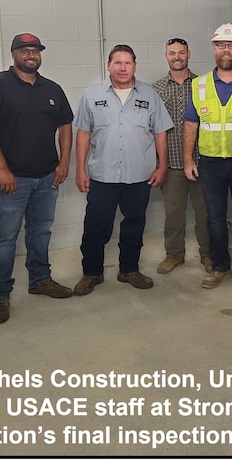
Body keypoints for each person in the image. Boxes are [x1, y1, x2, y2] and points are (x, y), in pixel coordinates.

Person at [0, 33, 75, 324]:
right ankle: (0, 295)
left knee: (40, 232)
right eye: (25, 50)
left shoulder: (51, 88)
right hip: (11, 180)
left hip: (47, 177)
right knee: (5, 238)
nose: (31, 55)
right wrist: (2, 170)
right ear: (13, 53)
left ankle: (40, 280)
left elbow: (65, 124)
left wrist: (64, 162)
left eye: (36, 51)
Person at [72, 45, 172, 295]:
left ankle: (129, 269)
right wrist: (80, 170)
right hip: (102, 176)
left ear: (135, 66)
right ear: (109, 65)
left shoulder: (150, 95)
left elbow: (160, 133)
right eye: (118, 63)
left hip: (139, 176)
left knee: (134, 225)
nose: (123, 67)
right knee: (95, 226)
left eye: (128, 63)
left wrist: (162, 166)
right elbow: (83, 134)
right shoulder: (92, 94)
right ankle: (91, 273)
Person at [184, 24, 232, 289]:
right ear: (214, 49)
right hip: (211, 162)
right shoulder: (199, 84)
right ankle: (220, 267)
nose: (226, 50)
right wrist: (188, 159)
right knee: (214, 218)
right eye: (221, 45)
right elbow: (191, 124)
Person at [153, 37, 211, 274]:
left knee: (205, 211)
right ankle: (174, 255)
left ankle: (208, 254)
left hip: (201, 160)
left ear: (189, 54)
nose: (177, 56)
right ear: (166, 55)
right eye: (172, 53)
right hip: (171, 163)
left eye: (181, 52)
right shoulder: (155, 89)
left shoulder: (203, 85)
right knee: (173, 213)